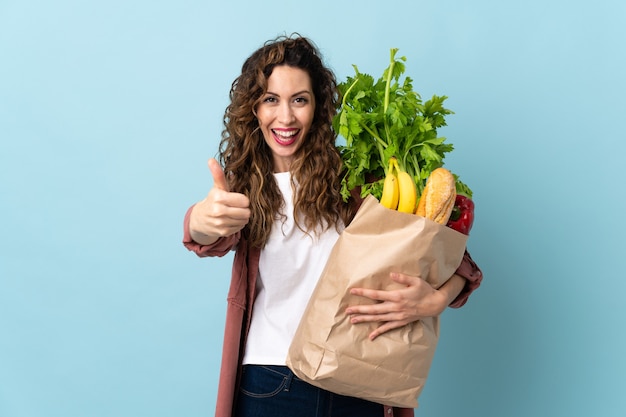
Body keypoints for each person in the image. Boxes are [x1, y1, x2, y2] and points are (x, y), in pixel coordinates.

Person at [182, 34, 483, 417]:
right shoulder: (243, 190)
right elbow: (208, 235)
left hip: (358, 375)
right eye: (271, 99)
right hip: (272, 379)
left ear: (318, 107)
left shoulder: (357, 181)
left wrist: (435, 299)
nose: (286, 117)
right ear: (253, 109)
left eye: (300, 100)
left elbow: (457, 260)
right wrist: (201, 219)